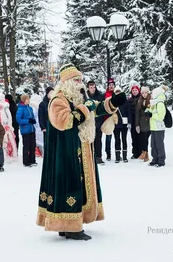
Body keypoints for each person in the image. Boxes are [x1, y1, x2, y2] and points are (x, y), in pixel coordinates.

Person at [36, 63, 126, 241]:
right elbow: (65, 121)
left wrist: (112, 103)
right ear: (66, 82)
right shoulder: (58, 100)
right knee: (69, 186)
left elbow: (95, 107)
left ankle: (70, 224)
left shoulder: (78, 97)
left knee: (79, 186)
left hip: (80, 149)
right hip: (65, 153)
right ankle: (70, 227)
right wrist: (87, 108)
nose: (80, 83)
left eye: (80, 79)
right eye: (76, 80)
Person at [148, 85, 168, 167]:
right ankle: (154, 159)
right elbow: (151, 112)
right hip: (153, 127)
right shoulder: (154, 103)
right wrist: (149, 111)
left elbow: (161, 117)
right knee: (153, 145)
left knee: (159, 145)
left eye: (153, 93)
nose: (151, 95)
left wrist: (151, 115)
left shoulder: (160, 103)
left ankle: (161, 160)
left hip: (159, 127)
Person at [87, 80, 105, 164]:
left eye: (94, 87)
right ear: (88, 88)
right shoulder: (85, 96)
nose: (93, 89)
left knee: (98, 139)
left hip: (98, 121)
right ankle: (90, 156)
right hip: (88, 122)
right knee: (90, 139)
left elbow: (102, 107)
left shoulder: (100, 96)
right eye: (91, 87)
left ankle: (99, 156)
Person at [16, 94, 37, 167]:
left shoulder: (30, 108)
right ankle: (26, 161)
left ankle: (32, 160)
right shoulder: (20, 109)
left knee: (32, 145)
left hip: (32, 129)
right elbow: (18, 119)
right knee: (26, 146)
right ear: (24, 100)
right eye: (27, 99)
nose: (29, 100)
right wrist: (28, 121)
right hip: (25, 130)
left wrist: (33, 120)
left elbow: (32, 116)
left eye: (29, 99)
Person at [113, 86, 132, 163]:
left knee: (124, 140)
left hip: (124, 124)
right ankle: (117, 157)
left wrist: (129, 122)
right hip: (116, 124)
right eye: (116, 92)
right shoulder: (113, 102)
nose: (118, 93)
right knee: (117, 140)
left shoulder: (125, 101)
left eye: (119, 92)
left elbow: (129, 112)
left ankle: (124, 156)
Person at [135, 86, 152, 162]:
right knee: (143, 139)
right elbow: (137, 114)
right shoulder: (139, 101)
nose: (144, 94)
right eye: (142, 93)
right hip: (142, 123)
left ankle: (145, 152)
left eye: (145, 92)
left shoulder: (151, 100)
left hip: (149, 122)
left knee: (145, 139)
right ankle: (145, 154)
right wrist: (137, 125)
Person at [128, 85, 141, 159]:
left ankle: (140, 152)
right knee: (134, 138)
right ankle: (135, 153)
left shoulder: (141, 99)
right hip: (132, 121)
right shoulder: (129, 100)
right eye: (133, 90)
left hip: (139, 121)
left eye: (136, 90)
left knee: (140, 137)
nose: (134, 92)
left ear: (138, 91)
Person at [104, 79, 115, 161]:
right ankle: (108, 154)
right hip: (108, 118)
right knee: (108, 137)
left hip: (116, 118)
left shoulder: (116, 93)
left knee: (117, 137)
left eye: (112, 85)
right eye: (110, 85)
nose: (111, 86)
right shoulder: (106, 95)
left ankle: (118, 154)